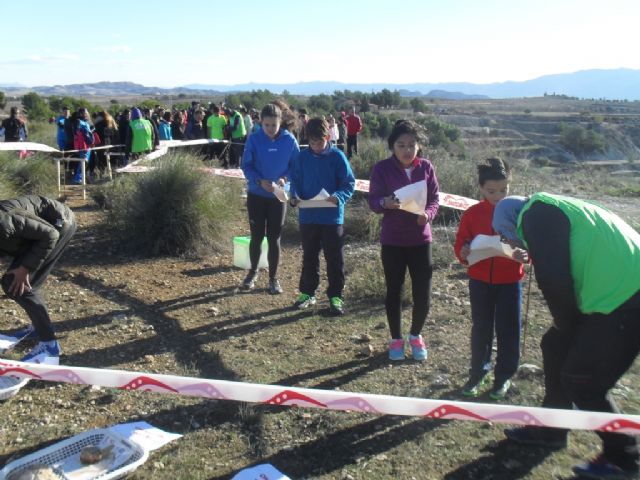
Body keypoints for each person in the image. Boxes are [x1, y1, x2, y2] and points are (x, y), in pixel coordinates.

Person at [493, 192, 640, 479]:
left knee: (582, 379)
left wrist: (567, 322)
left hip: (627, 298)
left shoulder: (536, 214)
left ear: (510, 225)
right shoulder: (556, 207)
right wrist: (566, 326)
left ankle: (625, 457)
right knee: (555, 345)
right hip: (616, 293)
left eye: (506, 237)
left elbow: (554, 278)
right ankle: (552, 428)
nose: (511, 244)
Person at [454, 158, 526, 398]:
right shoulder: (472, 214)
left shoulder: (519, 213)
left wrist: (524, 255)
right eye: (491, 191)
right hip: (480, 280)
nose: (498, 196)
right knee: (481, 328)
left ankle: (504, 377)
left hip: (510, 282)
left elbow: (531, 246)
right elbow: (462, 242)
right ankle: (478, 373)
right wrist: (464, 252)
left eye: (504, 190)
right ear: (481, 188)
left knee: (509, 330)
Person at [367, 120, 439, 361]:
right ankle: (396, 339)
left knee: (423, 293)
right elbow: (373, 200)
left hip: (421, 240)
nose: (407, 150)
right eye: (401, 145)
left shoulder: (426, 168)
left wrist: (427, 215)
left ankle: (416, 335)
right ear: (392, 146)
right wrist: (383, 203)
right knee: (394, 291)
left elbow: (435, 200)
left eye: (412, 145)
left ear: (419, 146)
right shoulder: (382, 169)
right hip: (393, 241)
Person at [290, 117, 355, 316]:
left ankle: (336, 296)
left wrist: (339, 197)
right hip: (308, 217)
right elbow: (294, 182)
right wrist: (293, 196)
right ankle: (308, 293)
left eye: (319, 142)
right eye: (312, 142)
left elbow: (349, 183)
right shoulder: (301, 158)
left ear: (328, 137)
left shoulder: (337, 157)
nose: (316, 146)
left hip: (331, 218)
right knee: (309, 256)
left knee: (334, 258)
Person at [0, 195, 76, 364]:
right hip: (38, 234)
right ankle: (38, 329)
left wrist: (25, 269)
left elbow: (50, 234)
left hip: (60, 225)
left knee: (16, 284)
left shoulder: (5, 222)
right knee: (24, 285)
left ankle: (49, 346)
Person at [241, 103, 300, 294]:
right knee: (257, 236)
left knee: (274, 238)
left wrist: (284, 179)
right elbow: (246, 166)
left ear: (280, 122)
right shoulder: (254, 139)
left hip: (278, 196)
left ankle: (273, 278)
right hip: (257, 195)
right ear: (260, 122)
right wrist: (259, 181)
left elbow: (295, 166)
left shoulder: (289, 140)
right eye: (266, 125)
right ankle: (252, 272)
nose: (270, 129)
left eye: (274, 125)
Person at [92, 110, 118, 176]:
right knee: (110, 160)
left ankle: (102, 174)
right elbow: (115, 133)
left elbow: (97, 134)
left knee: (101, 161)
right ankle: (111, 174)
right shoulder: (111, 122)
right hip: (111, 144)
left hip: (100, 145)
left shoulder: (98, 124)